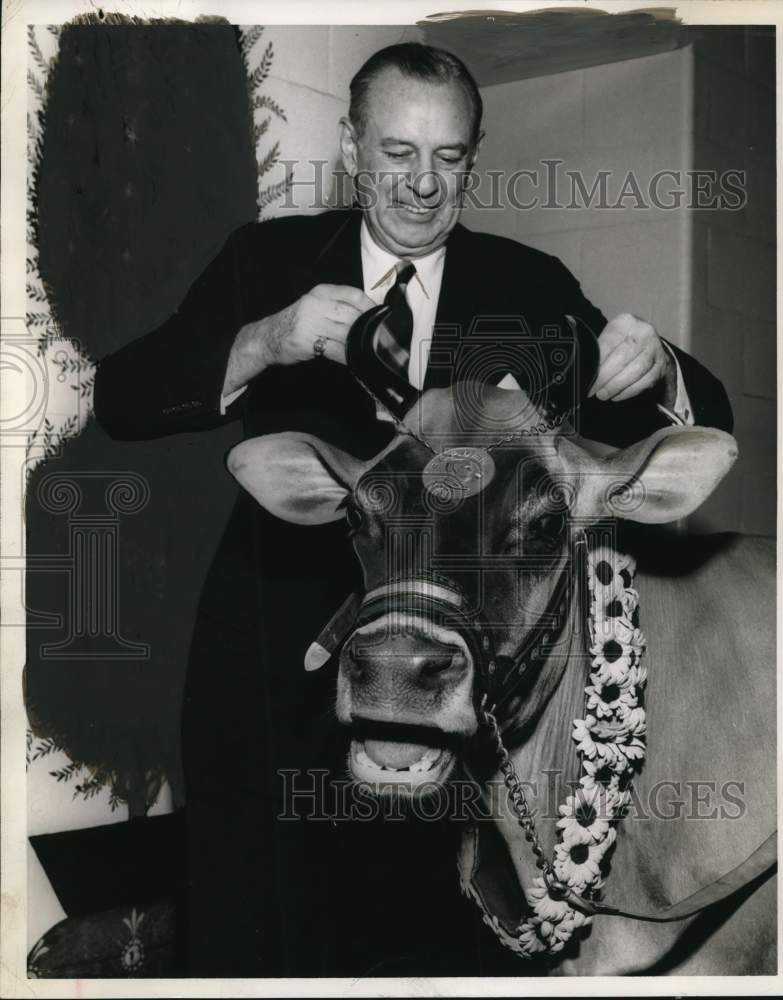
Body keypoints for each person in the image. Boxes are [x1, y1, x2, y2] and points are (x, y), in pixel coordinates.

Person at [93, 42, 732, 977]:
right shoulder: (267, 261)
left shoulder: (528, 286)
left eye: (447, 157)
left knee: (433, 924)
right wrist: (262, 342)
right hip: (272, 663)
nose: (422, 184)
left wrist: (661, 366)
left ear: (473, 158)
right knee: (258, 919)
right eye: (396, 153)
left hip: (455, 669)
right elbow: (121, 399)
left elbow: (691, 414)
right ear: (353, 151)